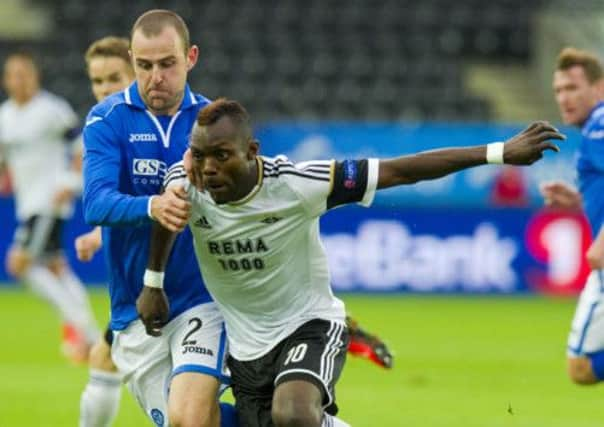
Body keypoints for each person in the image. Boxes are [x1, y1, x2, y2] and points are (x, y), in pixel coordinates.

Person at [138, 98, 563, 427]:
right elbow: (166, 219)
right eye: (199, 154)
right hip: (247, 349)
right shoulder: (186, 182)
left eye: (221, 155)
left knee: (295, 414)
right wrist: (152, 282)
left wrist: (498, 152)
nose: (207, 168)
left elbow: (401, 170)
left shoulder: (299, 184)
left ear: (252, 151)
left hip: (310, 325)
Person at [82, 10, 236, 427]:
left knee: (188, 420)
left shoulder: (213, 124)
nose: (156, 77)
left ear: (191, 57)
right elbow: (96, 204)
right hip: (133, 313)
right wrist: (153, 205)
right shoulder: (106, 120)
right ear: (132, 59)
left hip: (200, 301)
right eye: (144, 65)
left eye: (167, 63)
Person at [0, 51, 100, 361]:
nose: (19, 80)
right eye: (13, 75)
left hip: (49, 200)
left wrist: (69, 182)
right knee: (56, 268)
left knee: (20, 265)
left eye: (24, 74)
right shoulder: (4, 116)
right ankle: (92, 338)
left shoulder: (52, 110)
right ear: (6, 80)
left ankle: (84, 332)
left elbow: (79, 148)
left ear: (35, 76)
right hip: (27, 203)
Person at [76, 35, 135, 427]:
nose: (104, 89)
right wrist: (99, 233)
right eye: (97, 81)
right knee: (105, 357)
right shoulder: (102, 127)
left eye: (114, 78)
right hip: (130, 276)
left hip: (167, 277)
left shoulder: (139, 125)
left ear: (136, 71)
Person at [545, 47, 604, 385]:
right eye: (558, 90)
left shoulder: (599, 125)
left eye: (573, 88)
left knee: (580, 366)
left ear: (599, 88)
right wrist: (581, 200)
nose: (564, 98)